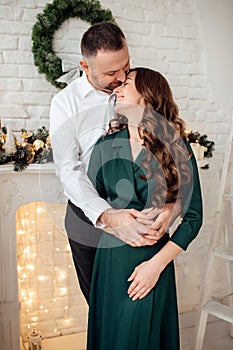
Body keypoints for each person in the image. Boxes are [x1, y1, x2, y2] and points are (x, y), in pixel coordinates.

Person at [50, 22, 179, 304]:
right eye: (111, 73)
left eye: (126, 66)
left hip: (141, 215)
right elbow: (69, 171)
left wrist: (170, 205)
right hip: (89, 218)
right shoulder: (64, 104)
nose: (122, 78)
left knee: (141, 304)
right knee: (103, 308)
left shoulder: (137, 86)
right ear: (85, 66)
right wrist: (108, 216)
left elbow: (165, 145)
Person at [86, 68, 203, 349]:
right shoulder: (105, 145)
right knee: (111, 337)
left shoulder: (176, 147)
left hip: (152, 263)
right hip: (110, 263)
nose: (117, 88)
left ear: (147, 98)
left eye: (126, 82)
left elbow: (194, 217)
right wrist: (112, 220)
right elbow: (90, 206)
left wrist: (156, 266)